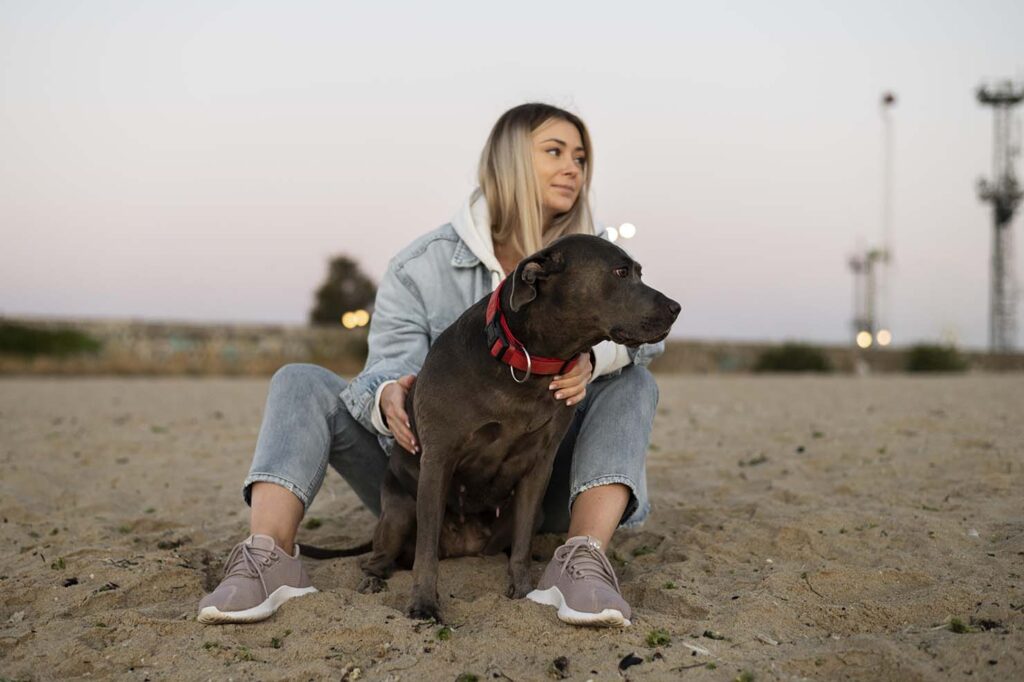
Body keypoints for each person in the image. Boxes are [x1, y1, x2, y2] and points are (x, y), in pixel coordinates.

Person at [197, 103, 663, 628]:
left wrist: (592, 359)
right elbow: (384, 366)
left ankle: (582, 559)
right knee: (298, 379)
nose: (572, 168)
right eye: (554, 151)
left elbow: (645, 340)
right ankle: (268, 555)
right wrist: (387, 396)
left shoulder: (594, 259)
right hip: (425, 480)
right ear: (508, 161)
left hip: (534, 486)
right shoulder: (421, 265)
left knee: (633, 380)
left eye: (580, 157)